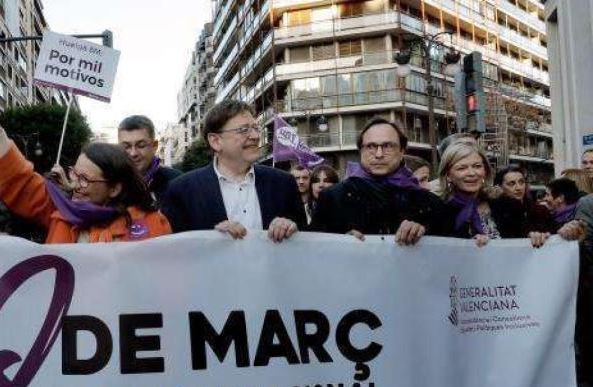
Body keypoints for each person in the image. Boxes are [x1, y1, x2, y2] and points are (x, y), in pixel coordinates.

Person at [0, 71, 171, 243]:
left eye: (85, 179)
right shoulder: (59, 211)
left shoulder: (150, 223)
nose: (74, 185)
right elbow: (17, 178)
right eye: (74, 174)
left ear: (114, 188)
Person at [160, 99, 303, 241]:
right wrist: (212, 239)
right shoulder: (182, 190)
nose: (255, 136)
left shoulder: (283, 183)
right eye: (244, 130)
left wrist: (292, 229)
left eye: (256, 128)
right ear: (215, 141)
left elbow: (306, 244)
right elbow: (176, 252)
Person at [310, 117, 443, 244]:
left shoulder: (429, 203)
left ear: (402, 150)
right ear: (360, 151)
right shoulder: (332, 197)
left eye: (387, 146)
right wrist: (341, 243)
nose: (379, 154)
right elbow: (314, 249)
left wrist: (423, 234)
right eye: (371, 146)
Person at [437, 142, 582, 247]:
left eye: (477, 166)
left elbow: (532, 243)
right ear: (448, 175)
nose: (472, 173)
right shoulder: (439, 211)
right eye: (462, 168)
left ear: (485, 171)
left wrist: (541, 236)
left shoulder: (508, 206)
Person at [117, 115, 182, 201]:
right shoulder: (109, 183)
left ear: (154, 146)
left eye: (141, 145)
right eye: (126, 147)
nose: (133, 153)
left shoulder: (178, 182)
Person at [492, 164, 555, 235]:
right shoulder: (494, 213)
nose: (518, 188)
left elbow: (555, 236)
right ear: (500, 187)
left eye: (521, 182)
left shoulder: (541, 211)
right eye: (511, 184)